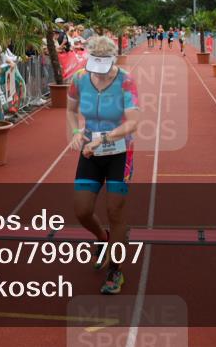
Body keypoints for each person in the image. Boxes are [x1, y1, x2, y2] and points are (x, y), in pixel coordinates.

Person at [67, 35, 140, 295]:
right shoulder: (78, 79)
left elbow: (132, 122)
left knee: (115, 212)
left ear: (113, 60)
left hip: (120, 152)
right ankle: (102, 238)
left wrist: (104, 139)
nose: (98, 74)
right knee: (82, 210)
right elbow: (71, 110)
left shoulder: (125, 81)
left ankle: (115, 270)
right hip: (90, 152)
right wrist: (76, 132)